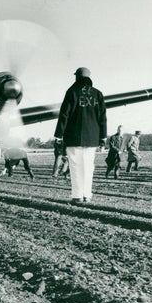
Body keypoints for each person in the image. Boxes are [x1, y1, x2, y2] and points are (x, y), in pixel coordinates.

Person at [54, 67, 107, 204]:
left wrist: (59, 135)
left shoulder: (72, 92)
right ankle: (87, 195)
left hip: (73, 137)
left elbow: (64, 114)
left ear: (77, 77)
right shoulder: (98, 94)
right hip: (92, 138)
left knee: (75, 166)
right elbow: (102, 118)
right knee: (89, 166)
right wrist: (103, 137)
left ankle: (77, 196)